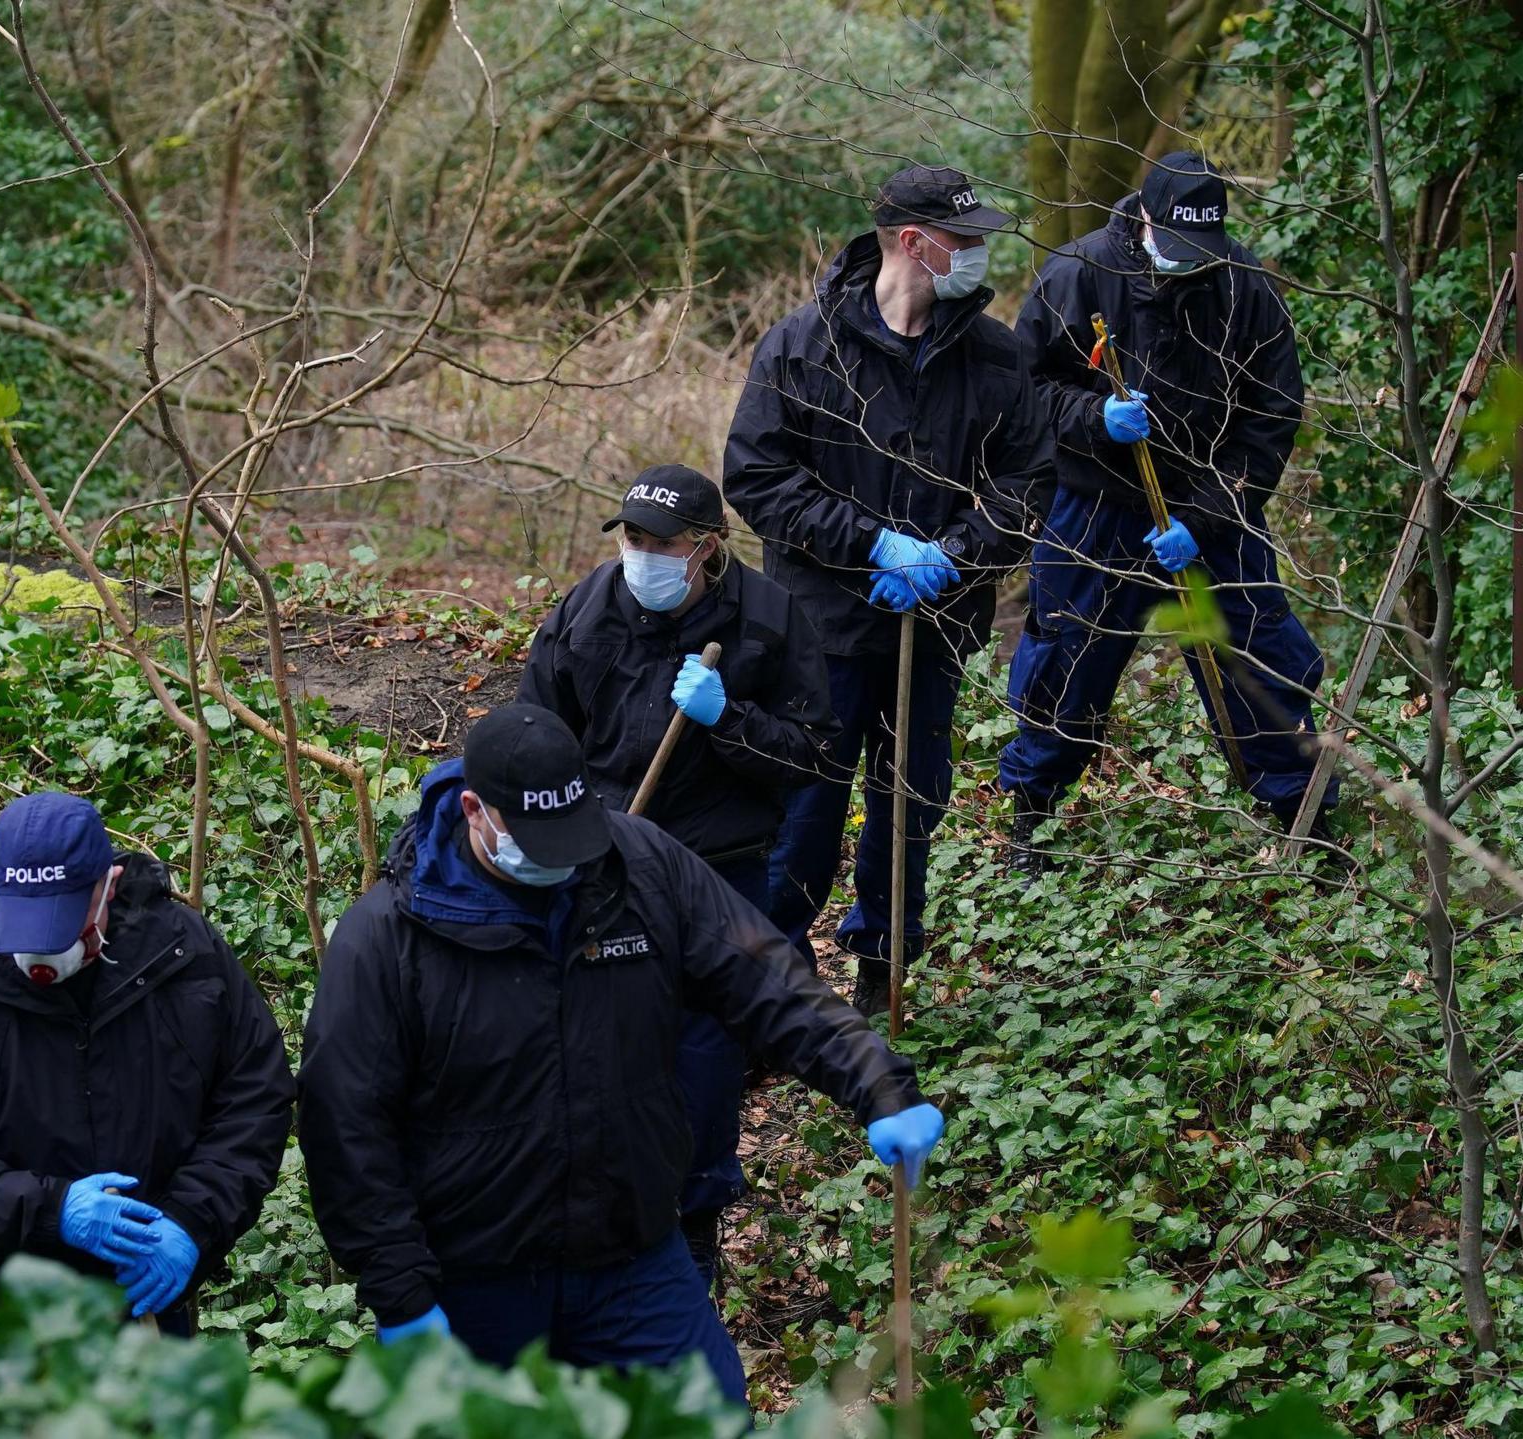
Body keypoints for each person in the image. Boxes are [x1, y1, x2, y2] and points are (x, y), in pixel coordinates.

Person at [300, 705, 947, 1404]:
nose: (564, 860)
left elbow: (767, 979)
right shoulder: (387, 937)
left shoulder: (638, 868)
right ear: (474, 811)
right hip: (474, 1274)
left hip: (628, 1252)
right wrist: (401, 1295)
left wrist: (876, 1081)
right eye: (539, 840)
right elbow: (346, 1126)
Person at [723, 162, 1052, 1013]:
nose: (982, 253)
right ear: (915, 242)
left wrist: (952, 552)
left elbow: (1028, 482)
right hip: (819, 631)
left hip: (934, 629)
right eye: (968, 239)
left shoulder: (995, 356)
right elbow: (756, 476)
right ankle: (780, 986)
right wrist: (871, 544)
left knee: (911, 805)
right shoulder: (801, 346)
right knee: (803, 812)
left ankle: (882, 968)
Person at [515, 461, 836, 1288]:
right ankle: (593, 1208)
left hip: (717, 862)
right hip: (606, 852)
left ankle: (694, 1219)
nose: (643, 554)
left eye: (663, 543)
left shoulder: (768, 619)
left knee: (703, 1046)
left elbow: (812, 756)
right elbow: (536, 730)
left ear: (707, 548)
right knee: (597, 1032)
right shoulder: (587, 612)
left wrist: (729, 718)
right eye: (632, 538)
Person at [998, 151, 1334, 869]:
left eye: (1202, 250)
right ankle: (1032, 816)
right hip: (1097, 503)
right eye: (1177, 246)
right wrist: (1095, 418)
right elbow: (1023, 389)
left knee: (1258, 656)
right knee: (1069, 654)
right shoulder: (1079, 273)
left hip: (1210, 502)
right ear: (1144, 216)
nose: (1190, 264)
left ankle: (1302, 812)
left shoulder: (1244, 287)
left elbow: (1271, 417)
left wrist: (1210, 516)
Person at [0, 791, 294, 1336]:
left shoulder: (184, 958)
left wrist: (191, 1222)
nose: (38, 947)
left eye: (60, 920)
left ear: (106, 886)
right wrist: (48, 1210)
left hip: (137, 1300)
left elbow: (253, 1097)